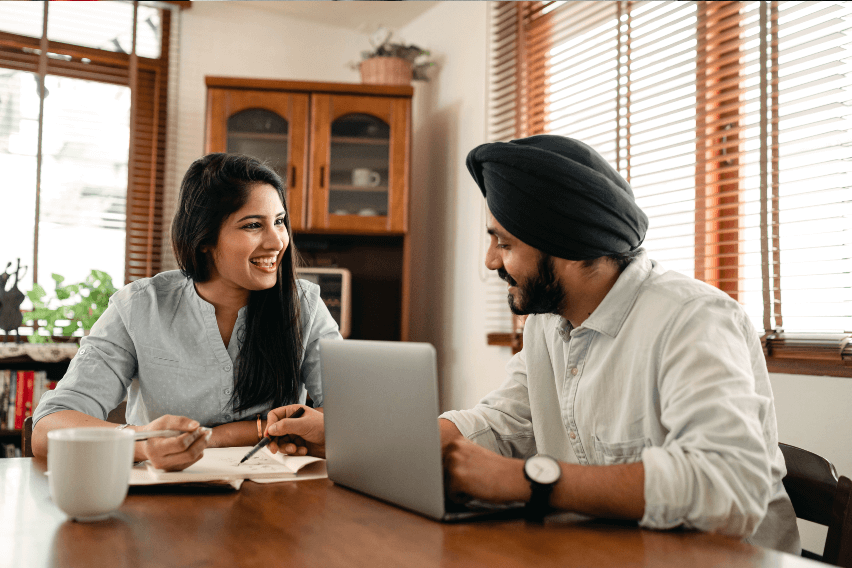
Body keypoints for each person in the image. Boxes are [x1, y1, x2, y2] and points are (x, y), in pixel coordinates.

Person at [437, 135, 800, 554]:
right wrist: (417, 442)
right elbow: (508, 421)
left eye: (505, 244)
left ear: (567, 247)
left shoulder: (693, 319)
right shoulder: (546, 323)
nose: (491, 261)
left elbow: (729, 485)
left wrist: (526, 480)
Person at [32, 153, 339, 470]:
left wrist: (223, 437)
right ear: (204, 237)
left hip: (278, 502)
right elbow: (47, 431)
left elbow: (354, 419)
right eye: (252, 225)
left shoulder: (305, 305)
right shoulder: (139, 306)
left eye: (279, 221)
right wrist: (142, 443)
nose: (277, 241)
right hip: (163, 503)